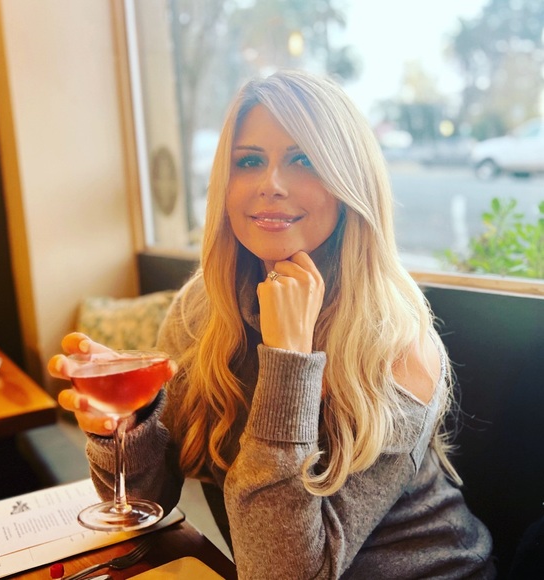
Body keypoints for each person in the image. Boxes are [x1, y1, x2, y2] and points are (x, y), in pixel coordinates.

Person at [50, 70, 495, 579]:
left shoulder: (396, 342)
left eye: (303, 160)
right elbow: (147, 498)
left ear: (349, 182)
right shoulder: (200, 311)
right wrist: (126, 425)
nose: (271, 185)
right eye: (249, 161)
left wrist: (288, 365)